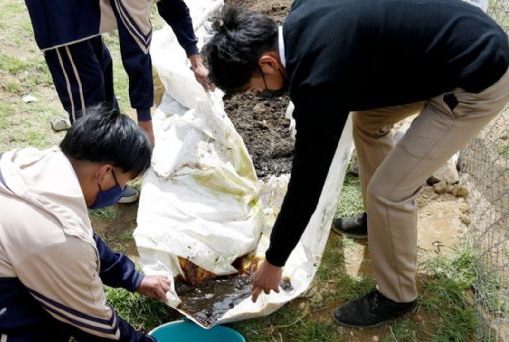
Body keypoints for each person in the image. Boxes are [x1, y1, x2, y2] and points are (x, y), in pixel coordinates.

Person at [203, 0, 509, 328]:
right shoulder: (301, 16)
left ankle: (397, 296)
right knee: (367, 123)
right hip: (443, 51)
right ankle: (380, 222)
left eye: (256, 87)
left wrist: (275, 260)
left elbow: (307, 182)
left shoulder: (319, 78)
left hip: (476, 76)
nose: (261, 94)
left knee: (388, 192)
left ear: (267, 63)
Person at [0, 106, 169, 341]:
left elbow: (82, 236)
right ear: (104, 173)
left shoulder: (30, 171)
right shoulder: (55, 233)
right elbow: (94, 325)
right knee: (57, 317)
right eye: (123, 184)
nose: (121, 192)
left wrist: (135, 278)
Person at [25, 0, 213, 204]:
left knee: (101, 72)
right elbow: (136, 48)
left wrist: (195, 59)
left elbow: (174, 7)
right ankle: (79, 190)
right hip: (60, 12)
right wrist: (145, 124)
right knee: (86, 98)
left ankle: (106, 173)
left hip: (83, 12)